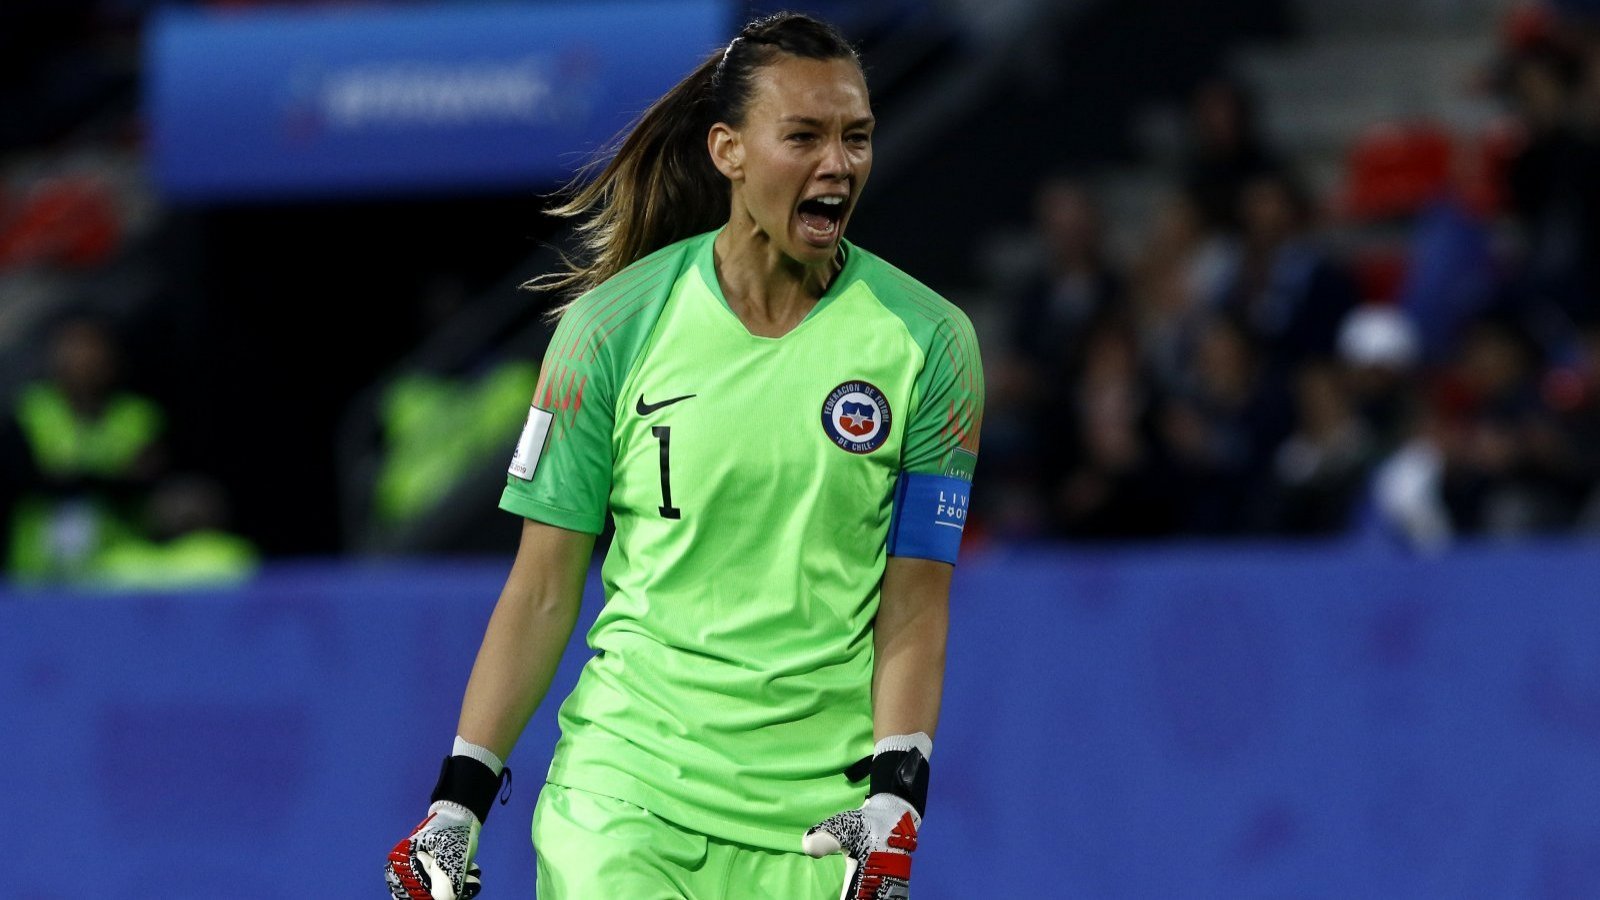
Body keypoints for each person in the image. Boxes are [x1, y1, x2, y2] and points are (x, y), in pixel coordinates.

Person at [384, 13, 983, 900]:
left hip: (813, 821)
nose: (839, 164)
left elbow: (916, 599)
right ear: (729, 151)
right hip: (625, 792)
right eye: (805, 137)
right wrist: (457, 804)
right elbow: (543, 588)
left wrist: (899, 797)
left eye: (856, 137)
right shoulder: (609, 332)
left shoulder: (930, 344)